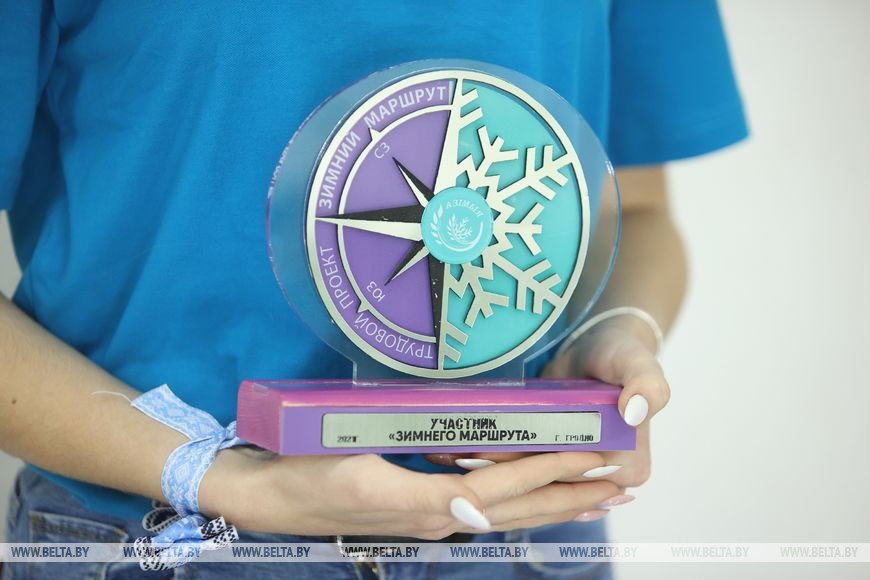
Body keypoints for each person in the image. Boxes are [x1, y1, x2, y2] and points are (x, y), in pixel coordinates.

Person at [0, 1, 746, 578]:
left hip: (521, 537)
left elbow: (631, 210)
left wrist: (611, 330)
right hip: (173, 537)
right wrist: (220, 479)